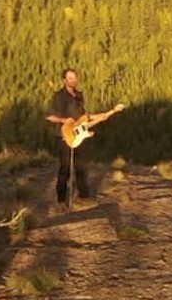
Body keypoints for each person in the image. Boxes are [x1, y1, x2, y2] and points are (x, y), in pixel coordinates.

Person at [45, 68, 120, 206]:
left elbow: (84, 117)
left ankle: (83, 196)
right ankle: (61, 200)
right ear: (64, 80)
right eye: (70, 78)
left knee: (81, 167)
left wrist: (102, 115)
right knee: (65, 168)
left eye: (74, 78)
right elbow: (50, 116)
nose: (73, 80)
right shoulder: (59, 97)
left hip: (80, 135)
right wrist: (64, 120)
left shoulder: (79, 95)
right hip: (64, 136)